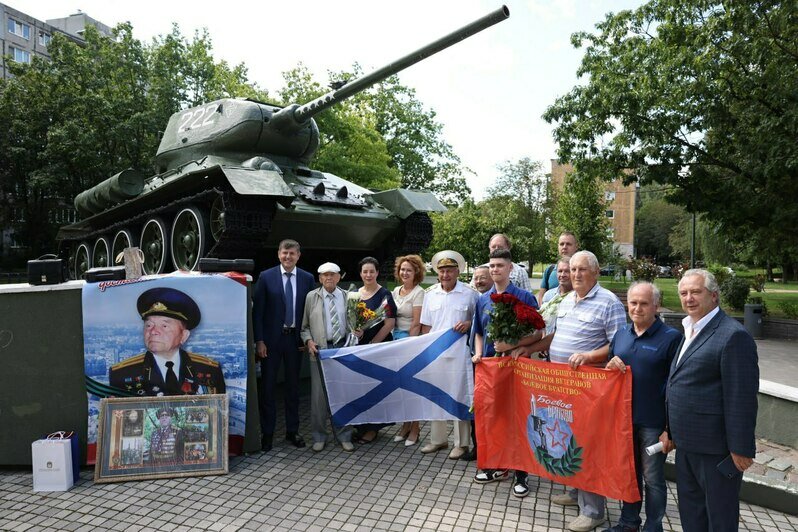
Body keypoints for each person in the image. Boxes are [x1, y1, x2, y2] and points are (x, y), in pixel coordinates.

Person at [666, 269, 759, 531]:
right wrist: (670, 430)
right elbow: (678, 384)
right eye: (684, 293)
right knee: (692, 515)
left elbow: (741, 395)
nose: (689, 298)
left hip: (715, 450)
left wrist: (741, 448)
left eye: (696, 292)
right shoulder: (688, 329)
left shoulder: (733, 336)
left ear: (714, 296)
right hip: (686, 446)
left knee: (719, 518)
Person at [545, 250, 627, 532]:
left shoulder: (609, 303)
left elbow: (620, 346)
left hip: (588, 390)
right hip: (561, 386)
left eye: (582, 270)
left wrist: (590, 356)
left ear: (596, 272)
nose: (576, 274)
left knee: (586, 445)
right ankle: (575, 491)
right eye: (573, 269)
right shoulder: (567, 299)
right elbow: (557, 336)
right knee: (567, 440)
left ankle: (593, 512)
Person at [603, 282, 682, 532]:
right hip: (624, 421)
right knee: (629, 473)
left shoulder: (672, 338)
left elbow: (676, 387)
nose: (637, 308)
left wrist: (669, 429)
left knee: (653, 479)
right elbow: (609, 372)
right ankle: (628, 523)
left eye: (644, 303)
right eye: (633, 302)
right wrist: (609, 365)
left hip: (653, 423)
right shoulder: (621, 334)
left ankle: (653, 526)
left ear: (656, 306)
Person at [472, 247, 542, 498]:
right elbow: (479, 331)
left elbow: (538, 332)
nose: (494, 270)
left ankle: (522, 473)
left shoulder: (524, 296)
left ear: (510, 268)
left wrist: (512, 346)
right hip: (491, 369)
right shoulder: (482, 299)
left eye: (499, 266)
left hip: (517, 368)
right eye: (491, 266)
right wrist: (479, 352)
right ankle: (500, 467)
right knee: (497, 418)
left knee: (519, 419)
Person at [253, 239, 315, 452]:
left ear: (298, 256)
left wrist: (307, 338)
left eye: (292, 253)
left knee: (293, 388)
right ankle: (267, 433)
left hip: (295, 341)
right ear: (278, 254)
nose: (288, 257)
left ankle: (292, 431)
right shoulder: (266, 277)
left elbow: (311, 313)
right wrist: (259, 341)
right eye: (284, 253)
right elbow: (258, 312)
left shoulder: (307, 279)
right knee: (268, 388)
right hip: (270, 342)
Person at [109, 287, 225, 396]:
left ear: (184, 336)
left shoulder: (209, 370)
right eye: (149, 325)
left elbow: (220, 413)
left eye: (164, 326)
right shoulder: (122, 374)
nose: (153, 331)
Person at [418, 250, 478, 459]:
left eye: (450, 270)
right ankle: (438, 440)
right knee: (436, 395)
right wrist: (425, 353)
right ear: (438, 272)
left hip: (459, 354)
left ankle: (461, 444)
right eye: (442, 270)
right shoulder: (430, 293)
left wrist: (469, 323)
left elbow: (478, 322)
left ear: (457, 272)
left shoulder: (470, 294)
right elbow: (426, 326)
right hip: (435, 354)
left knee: (459, 396)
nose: (446, 274)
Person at [300, 262, 355, 453]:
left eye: (332, 275)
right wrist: (309, 341)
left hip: (342, 350)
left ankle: (344, 435)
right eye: (324, 275)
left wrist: (357, 332)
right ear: (320, 278)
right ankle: (319, 436)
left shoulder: (349, 296)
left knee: (342, 395)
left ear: (339, 277)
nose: (328, 278)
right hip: (320, 351)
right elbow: (305, 327)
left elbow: (355, 323)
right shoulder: (311, 297)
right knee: (319, 398)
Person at [351, 256, 397, 444]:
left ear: (377, 273)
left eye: (372, 271)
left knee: (377, 389)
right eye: (365, 271)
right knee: (360, 388)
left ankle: (373, 429)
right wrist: (355, 331)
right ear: (360, 273)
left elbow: (389, 323)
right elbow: (350, 319)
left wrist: (373, 344)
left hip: (379, 348)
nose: (368, 275)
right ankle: (361, 425)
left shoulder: (385, 294)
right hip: (359, 348)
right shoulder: (354, 294)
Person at [391, 254, 426, 447]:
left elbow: (416, 323)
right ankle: (405, 425)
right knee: (400, 387)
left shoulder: (419, 293)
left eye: (409, 270)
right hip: (394, 340)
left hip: (409, 342)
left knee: (412, 387)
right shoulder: (396, 291)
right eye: (402, 269)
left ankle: (415, 428)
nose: (405, 272)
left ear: (416, 273)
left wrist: (409, 347)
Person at [537, 231, 579, 305]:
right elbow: (541, 296)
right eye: (561, 244)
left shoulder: (583, 271)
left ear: (576, 247)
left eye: (568, 244)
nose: (564, 247)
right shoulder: (550, 270)